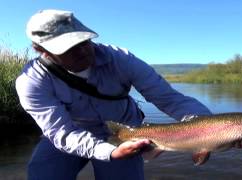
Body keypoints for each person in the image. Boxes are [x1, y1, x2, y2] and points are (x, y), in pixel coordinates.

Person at [15, 9, 213, 180]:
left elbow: (169, 99)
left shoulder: (122, 59)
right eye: (69, 48)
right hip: (71, 131)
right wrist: (110, 152)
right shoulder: (31, 82)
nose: (82, 50)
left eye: (84, 41)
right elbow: (62, 132)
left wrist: (214, 130)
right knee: (43, 174)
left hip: (126, 131)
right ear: (40, 49)